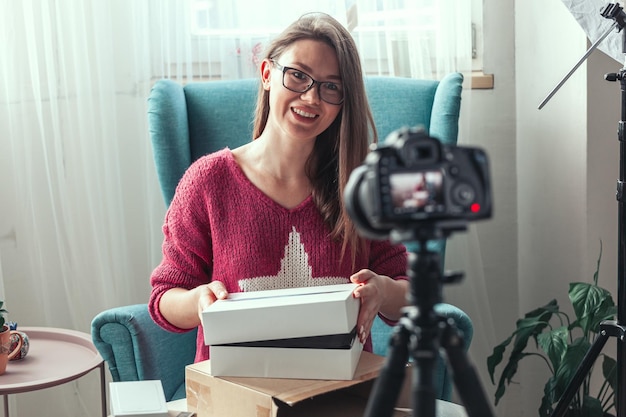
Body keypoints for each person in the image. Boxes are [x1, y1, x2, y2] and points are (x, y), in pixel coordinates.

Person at [148, 12, 410, 363]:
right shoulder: (208, 182)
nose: (311, 98)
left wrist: (383, 290)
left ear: (344, 101)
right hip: (239, 394)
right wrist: (198, 302)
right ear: (268, 74)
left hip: (340, 394)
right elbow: (165, 298)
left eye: (331, 86)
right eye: (298, 76)